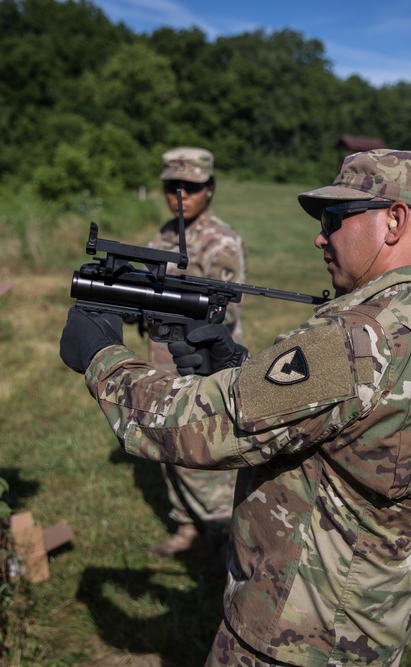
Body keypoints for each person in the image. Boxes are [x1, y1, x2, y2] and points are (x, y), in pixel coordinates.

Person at [60, 149, 411, 666]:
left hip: (295, 635)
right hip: (360, 623)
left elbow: (195, 425)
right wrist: (237, 365)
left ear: (394, 220)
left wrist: (103, 358)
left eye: (334, 218)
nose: (321, 236)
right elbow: (338, 422)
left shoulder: (358, 339)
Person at [142, 147, 248, 564]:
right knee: (168, 446)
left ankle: (224, 539)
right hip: (164, 363)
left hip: (204, 367)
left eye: (191, 187)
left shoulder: (220, 241)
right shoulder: (163, 237)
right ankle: (188, 527)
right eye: (172, 187)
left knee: (203, 451)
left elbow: (227, 308)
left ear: (211, 189)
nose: (180, 195)